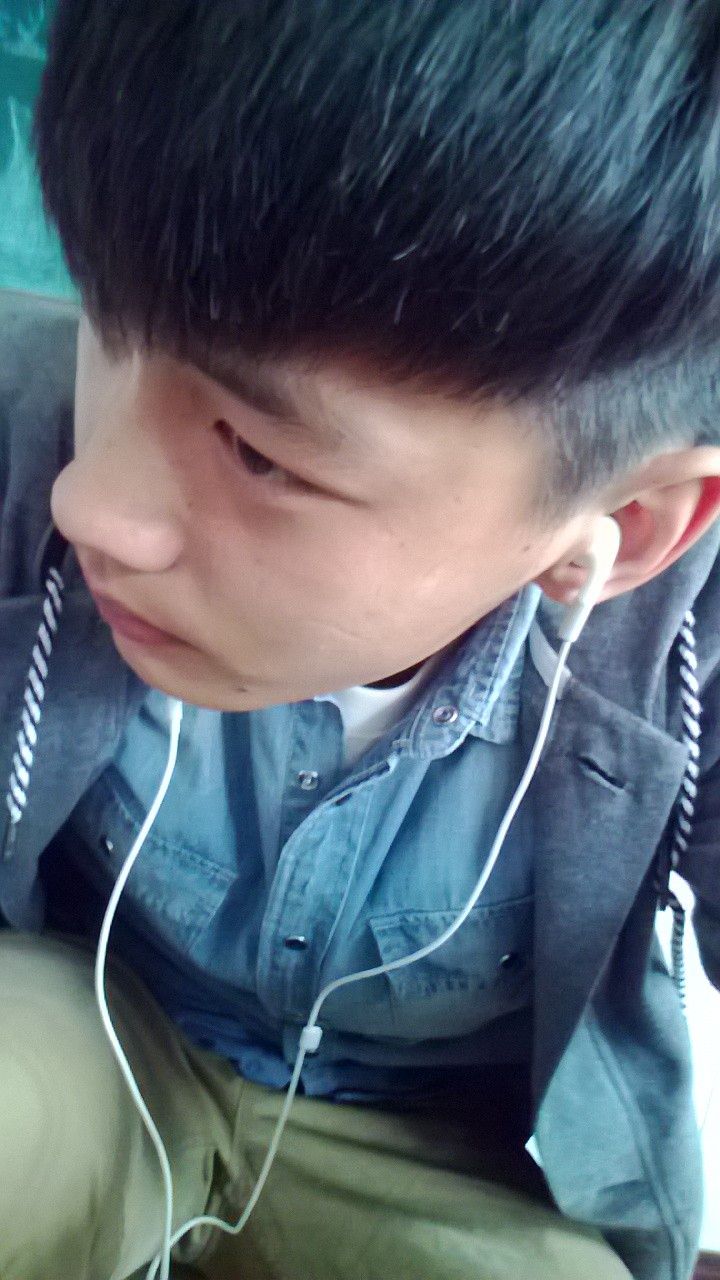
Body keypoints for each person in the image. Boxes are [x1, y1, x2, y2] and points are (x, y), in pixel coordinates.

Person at [1, 1, 719, 1277]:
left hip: (435, 1148)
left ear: (619, 530)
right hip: (97, 1028)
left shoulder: (685, 656)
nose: (88, 501)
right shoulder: (21, 418)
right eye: (109, 317)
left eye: (258, 452)